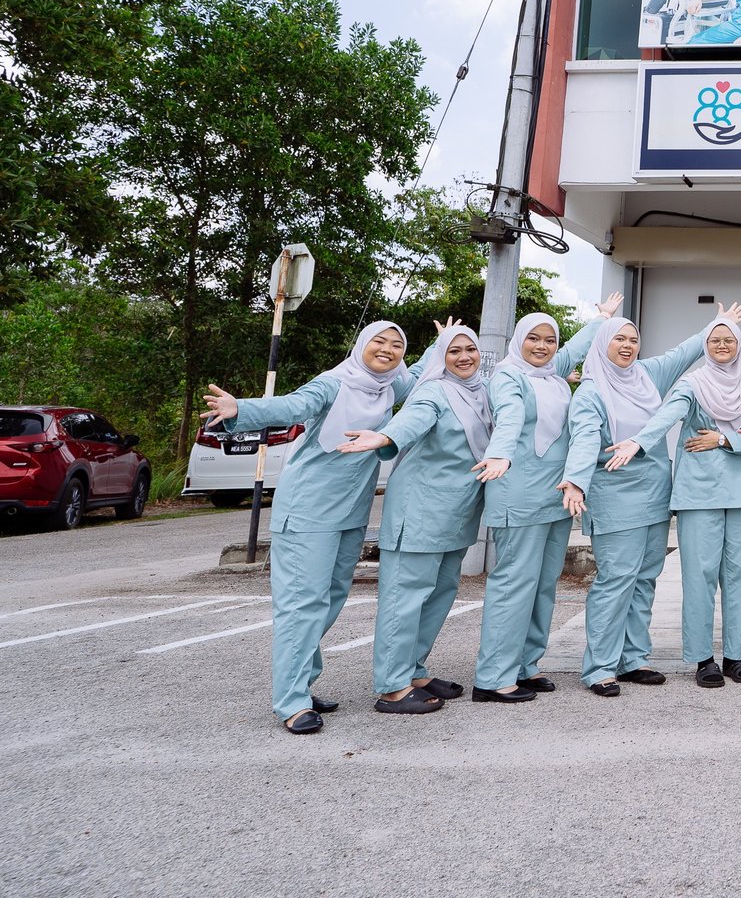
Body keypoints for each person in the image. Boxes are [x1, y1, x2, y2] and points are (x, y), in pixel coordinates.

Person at [200, 320, 423, 734]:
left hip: (351, 513)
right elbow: (292, 405)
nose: (388, 349)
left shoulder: (389, 387)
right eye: (379, 341)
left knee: (330, 600)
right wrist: (241, 409)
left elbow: (423, 376)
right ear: (361, 344)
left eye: (397, 345)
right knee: (302, 605)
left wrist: (445, 343)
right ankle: (292, 701)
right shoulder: (333, 384)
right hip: (308, 512)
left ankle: (300, 681)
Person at [561, 308, 736, 696]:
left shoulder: (647, 375)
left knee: (644, 579)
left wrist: (714, 325)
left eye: (633, 339)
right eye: (619, 339)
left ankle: (633, 659)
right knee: (616, 579)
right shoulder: (591, 391)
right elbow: (585, 437)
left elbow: (682, 353)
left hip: (655, 493)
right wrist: (575, 481)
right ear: (602, 344)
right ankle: (600, 668)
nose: (627, 346)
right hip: (615, 496)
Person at [470, 296, 620, 703]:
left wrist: (601, 318)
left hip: (557, 496)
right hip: (517, 491)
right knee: (514, 584)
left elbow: (577, 347)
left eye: (549, 340)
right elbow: (510, 416)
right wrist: (500, 453)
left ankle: (525, 665)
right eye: (533, 338)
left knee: (542, 585)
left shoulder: (552, 373)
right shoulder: (507, 376)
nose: (542, 346)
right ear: (518, 339)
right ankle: (493, 677)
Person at [339, 325, 492, 715]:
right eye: (453, 350)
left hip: (457, 513)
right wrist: (386, 437)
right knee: (404, 599)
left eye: (470, 349)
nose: (463, 356)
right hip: (420, 511)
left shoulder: (481, 393)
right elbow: (413, 419)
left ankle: (414, 671)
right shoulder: (433, 391)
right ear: (441, 357)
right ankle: (392, 686)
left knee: (439, 595)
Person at [630, 315, 741, 688]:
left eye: (729, 340)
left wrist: (722, 439)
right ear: (705, 346)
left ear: (739, 345)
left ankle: (735, 656)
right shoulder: (692, 384)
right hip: (698, 495)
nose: (722, 346)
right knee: (699, 577)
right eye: (714, 340)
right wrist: (639, 441)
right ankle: (703, 658)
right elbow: (668, 415)